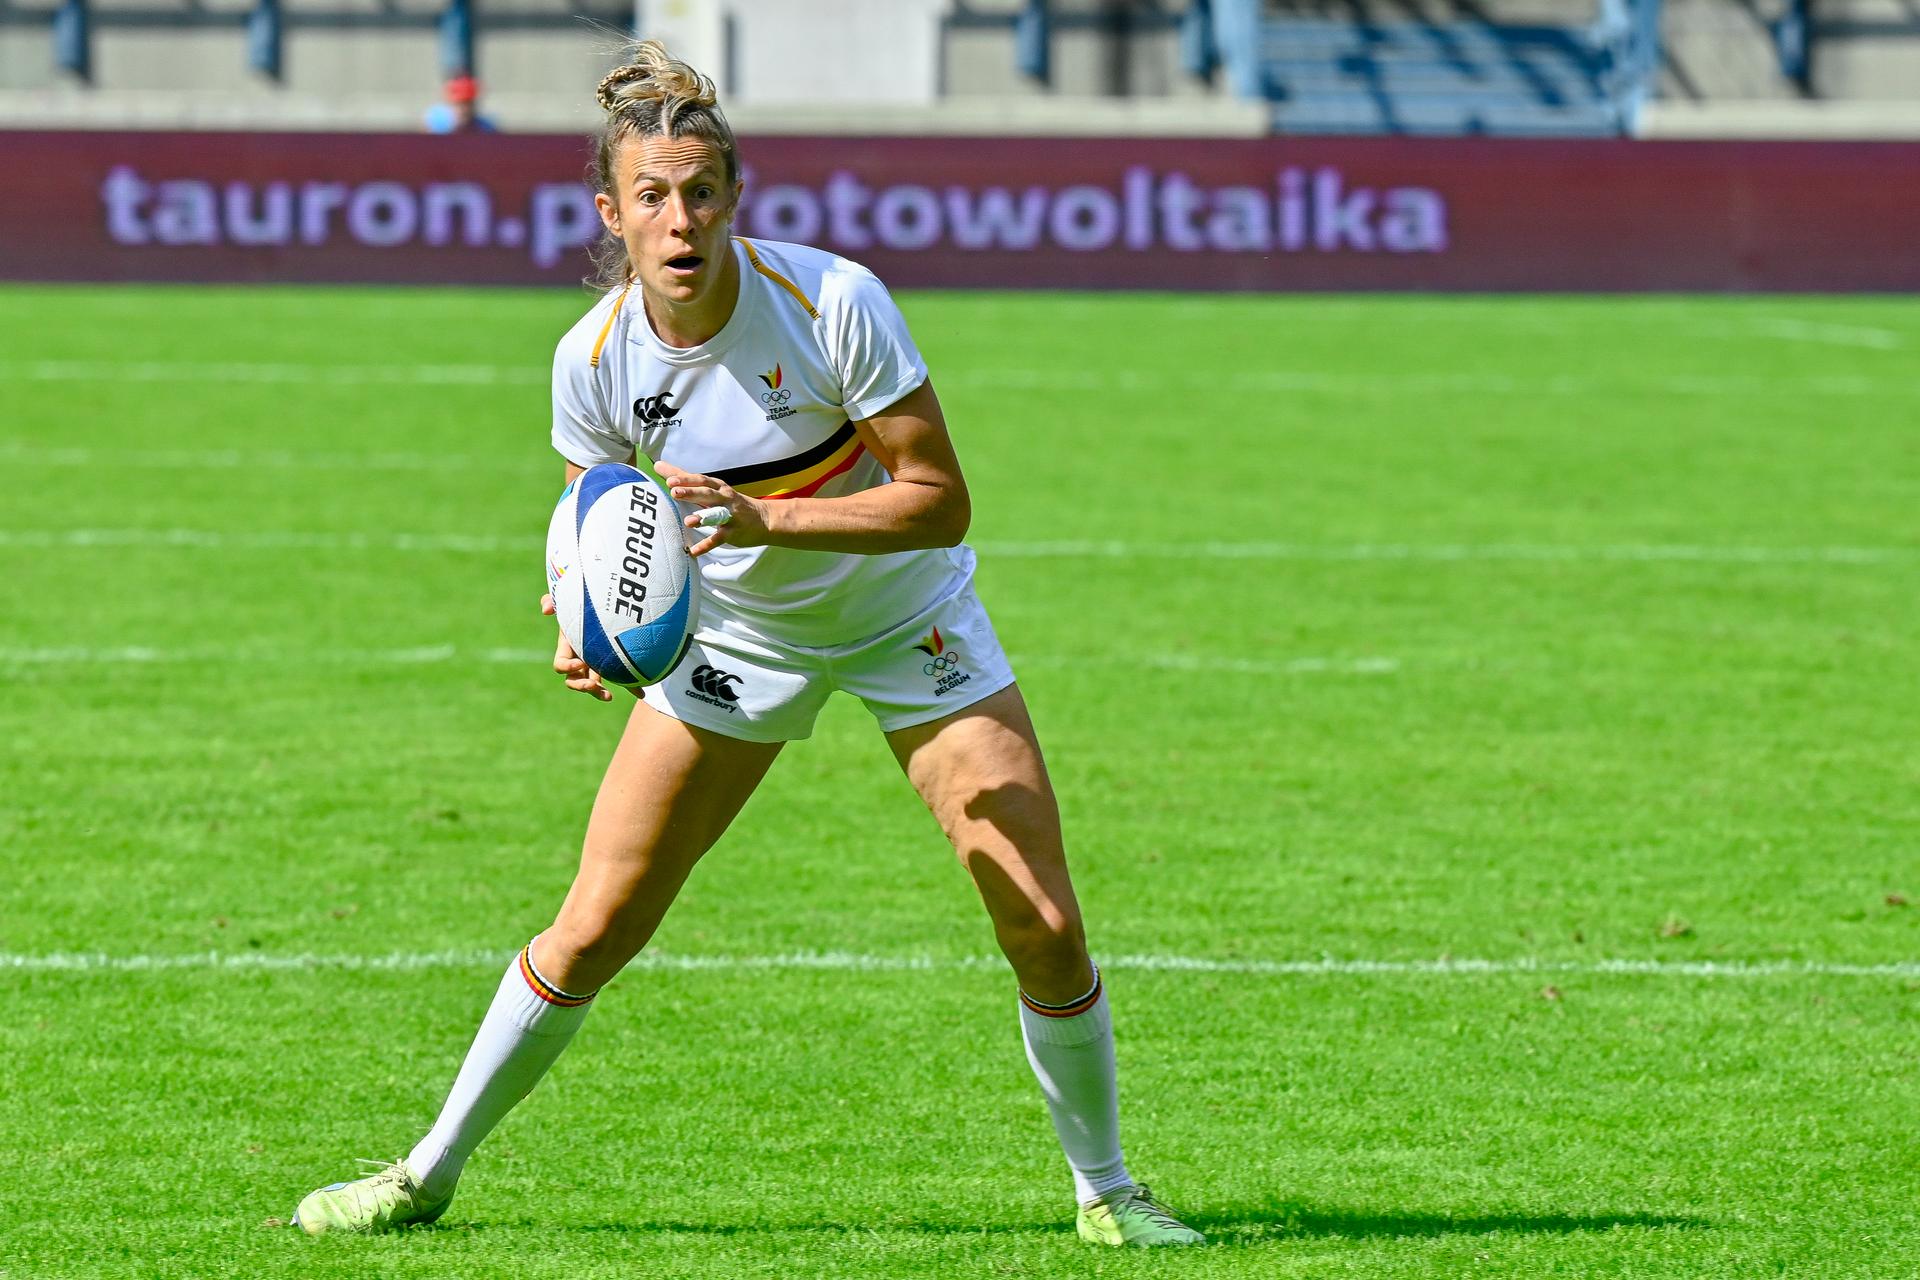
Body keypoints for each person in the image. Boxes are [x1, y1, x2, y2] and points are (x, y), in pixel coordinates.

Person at [293, 39, 1201, 1249]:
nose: (680, 220)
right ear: (610, 213)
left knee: (1040, 911)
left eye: (702, 192)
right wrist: (580, 622)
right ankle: (424, 1172)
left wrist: (767, 512)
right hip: (732, 636)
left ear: (735, 196)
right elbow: (591, 525)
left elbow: (939, 497)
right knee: (597, 921)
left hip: (903, 614)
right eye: (653, 197)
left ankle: (1110, 1191)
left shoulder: (833, 301)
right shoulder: (593, 358)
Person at [424, 73, 497, 134]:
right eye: (459, 103)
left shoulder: (485, 127)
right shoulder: (436, 125)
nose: (464, 109)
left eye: (467, 103)